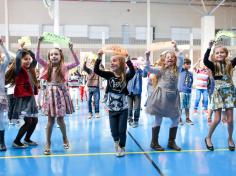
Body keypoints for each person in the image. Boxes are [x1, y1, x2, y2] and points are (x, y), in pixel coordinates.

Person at [36, 36, 79, 155]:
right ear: (49, 57)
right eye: (51, 55)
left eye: (56, 54)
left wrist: (71, 49)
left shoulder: (64, 67)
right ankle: (48, 142)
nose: (54, 56)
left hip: (60, 94)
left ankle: (65, 137)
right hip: (50, 95)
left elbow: (77, 62)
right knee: (50, 121)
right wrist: (39, 43)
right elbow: (37, 57)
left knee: (60, 120)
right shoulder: (46, 66)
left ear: (60, 56)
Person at [94, 50, 135, 157]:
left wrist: (128, 60)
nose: (111, 63)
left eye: (114, 61)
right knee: (113, 131)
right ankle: (116, 141)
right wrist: (99, 58)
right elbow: (96, 70)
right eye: (111, 61)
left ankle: (122, 146)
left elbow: (133, 72)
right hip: (112, 109)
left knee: (122, 130)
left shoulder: (125, 76)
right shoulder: (109, 75)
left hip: (123, 109)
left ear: (121, 64)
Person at [145, 41, 183, 151]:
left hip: (172, 98)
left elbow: (180, 58)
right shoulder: (161, 70)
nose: (170, 58)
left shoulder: (178, 69)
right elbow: (148, 69)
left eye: (172, 57)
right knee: (158, 118)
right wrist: (147, 57)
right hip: (161, 97)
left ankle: (171, 142)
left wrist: (176, 48)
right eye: (168, 57)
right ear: (164, 60)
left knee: (176, 118)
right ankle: (154, 142)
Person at [204, 40, 236, 151]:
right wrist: (209, 47)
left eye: (222, 52)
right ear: (214, 55)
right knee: (217, 119)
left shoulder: (229, 65)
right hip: (218, 93)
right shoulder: (213, 65)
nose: (219, 54)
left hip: (229, 94)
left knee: (230, 120)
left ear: (226, 54)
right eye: (217, 53)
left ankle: (230, 139)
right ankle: (208, 137)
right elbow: (205, 60)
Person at [5, 45, 38, 148]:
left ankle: (27, 139)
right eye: (25, 59)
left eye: (29, 59)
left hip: (30, 98)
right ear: (21, 60)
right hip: (23, 98)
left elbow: (35, 60)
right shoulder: (19, 69)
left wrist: (29, 51)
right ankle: (17, 141)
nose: (28, 61)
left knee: (35, 120)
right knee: (28, 121)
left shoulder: (30, 68)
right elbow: (18, 59)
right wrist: (21, 50)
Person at [127, 59, 144, 127]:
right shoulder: (128, 71)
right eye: (132, 65)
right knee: (129, 107)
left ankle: (136, 120)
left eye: (135, 65)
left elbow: (145, 75)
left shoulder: (139, 71)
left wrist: (144, 66)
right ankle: (130, 119)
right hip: (129, 92)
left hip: (137, 92)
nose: (134, 66)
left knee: (137, 108)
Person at [0, 38, 10, 151]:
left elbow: (8, 58)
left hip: (0, 97)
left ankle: (2, 142)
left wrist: (2, 45)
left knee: (1, 120)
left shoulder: (2, 67)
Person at [178, 58, 194, 125]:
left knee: (187, 106)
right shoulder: (181, 71)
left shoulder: (190, 73)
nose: (189, 65)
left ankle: (187, 118)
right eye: (187, 64)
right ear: (183, 64)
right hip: (181, 91)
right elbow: (179, 64)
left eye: (189, 64)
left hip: (188, 92)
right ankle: (179, 118)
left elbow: (191, 82)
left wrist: (190, 88)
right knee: (180, 106)